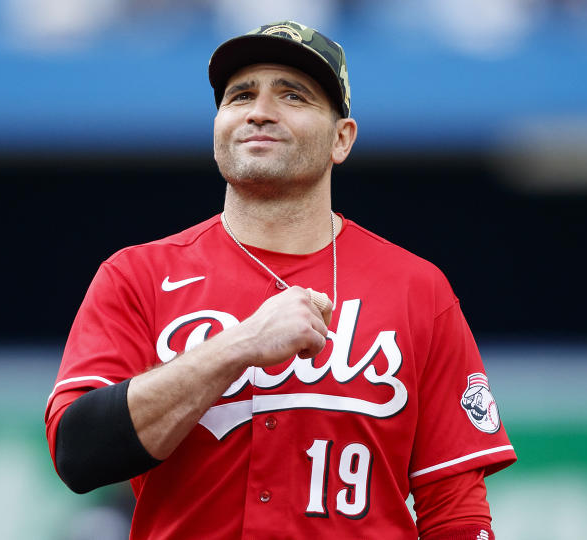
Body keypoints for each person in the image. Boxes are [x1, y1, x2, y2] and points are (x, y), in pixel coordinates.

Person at [45, 20, 516, 540]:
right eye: (240, 95)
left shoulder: (417, 288)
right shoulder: (138, 275)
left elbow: (456, 509)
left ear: (342, 139)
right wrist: (237, 346)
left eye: (293, 95)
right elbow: (78, 453)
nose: (259, 112)